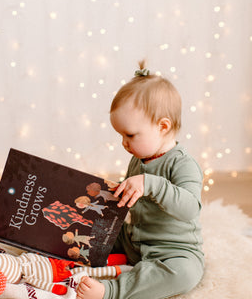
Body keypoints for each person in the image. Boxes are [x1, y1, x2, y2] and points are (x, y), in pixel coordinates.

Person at [76, 61, 205, 299]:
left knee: (186, 274)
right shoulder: (140, 158)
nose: (123, 143)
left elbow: (190, 208)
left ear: (163, 126)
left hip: (172, 250)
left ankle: (113, 290)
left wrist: (151, 184)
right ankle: (55, 256)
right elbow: (136, 201)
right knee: (87, 233)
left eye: (130, 135)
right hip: (133, 240)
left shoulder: (183, 164)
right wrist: (118, 191)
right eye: (120, 135)